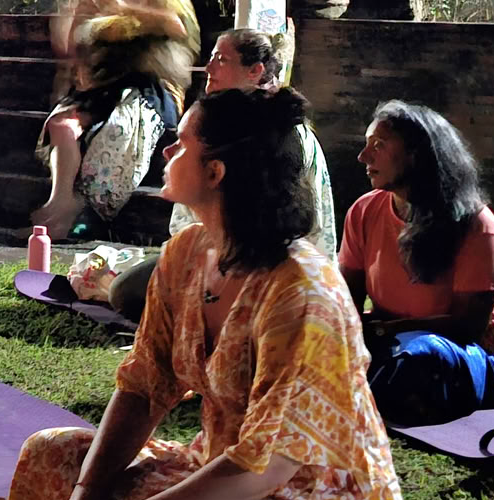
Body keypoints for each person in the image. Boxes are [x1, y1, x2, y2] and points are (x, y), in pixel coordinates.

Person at [0, 87, 414, 500]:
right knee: (51, 454)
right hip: (212, 468)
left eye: (181, 143)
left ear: (215, 172)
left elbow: (266, 467)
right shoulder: (186, 253)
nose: (167, 151)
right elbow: (143, 387)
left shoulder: (303, 293)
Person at [121, 29, 337, 319]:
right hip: (215, 250)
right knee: (133, 289)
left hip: (262, 256)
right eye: (211, 58)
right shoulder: (214, 120)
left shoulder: (277, 135)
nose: (209, 68)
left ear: (255, 70)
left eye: (221, 59)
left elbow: (286, 221)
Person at [338, 102, 494, 425]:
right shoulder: (364, 211)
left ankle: (359, 394)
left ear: (416, 154)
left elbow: (468, 327)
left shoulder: (476, 226)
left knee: (420, 355)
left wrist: (386, 330)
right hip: (389, 342)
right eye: (367, 144)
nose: (363, 157)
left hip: (463, 354)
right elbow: (346, 300)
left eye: (379, 145)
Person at [32, 0, 196, 236]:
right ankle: (60, 201)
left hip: (151, 92)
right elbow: (76, 44)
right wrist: (74, 16)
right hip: (106, 86)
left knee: (116, 129)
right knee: (62, 125)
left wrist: (120, 5)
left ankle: (86, 217)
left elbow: (175, 26)